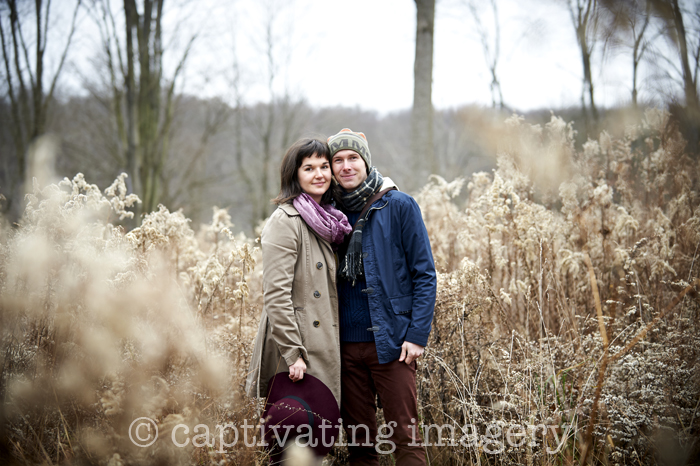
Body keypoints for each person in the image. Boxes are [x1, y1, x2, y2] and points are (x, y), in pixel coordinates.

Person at [328, 128, 437, 465]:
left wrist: (417, 335)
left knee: (406, 437)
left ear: (366, 162)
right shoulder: (325, 215)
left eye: (353, 158)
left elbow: (425, 274)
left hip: (393, 344)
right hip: (344, 348)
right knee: (360, 446)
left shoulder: (399, 205)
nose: (346, 166)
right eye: (338, 160)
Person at [245, 138, 351, 460]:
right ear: (295, 174)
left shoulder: (328, 219)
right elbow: (275, 295)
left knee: (319, 439)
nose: (319, 174)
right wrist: (293, 353)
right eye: (309, 168)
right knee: (293, 441)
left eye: (323, 166)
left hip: (324, 342)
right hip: (298, 349)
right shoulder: (285, 221)